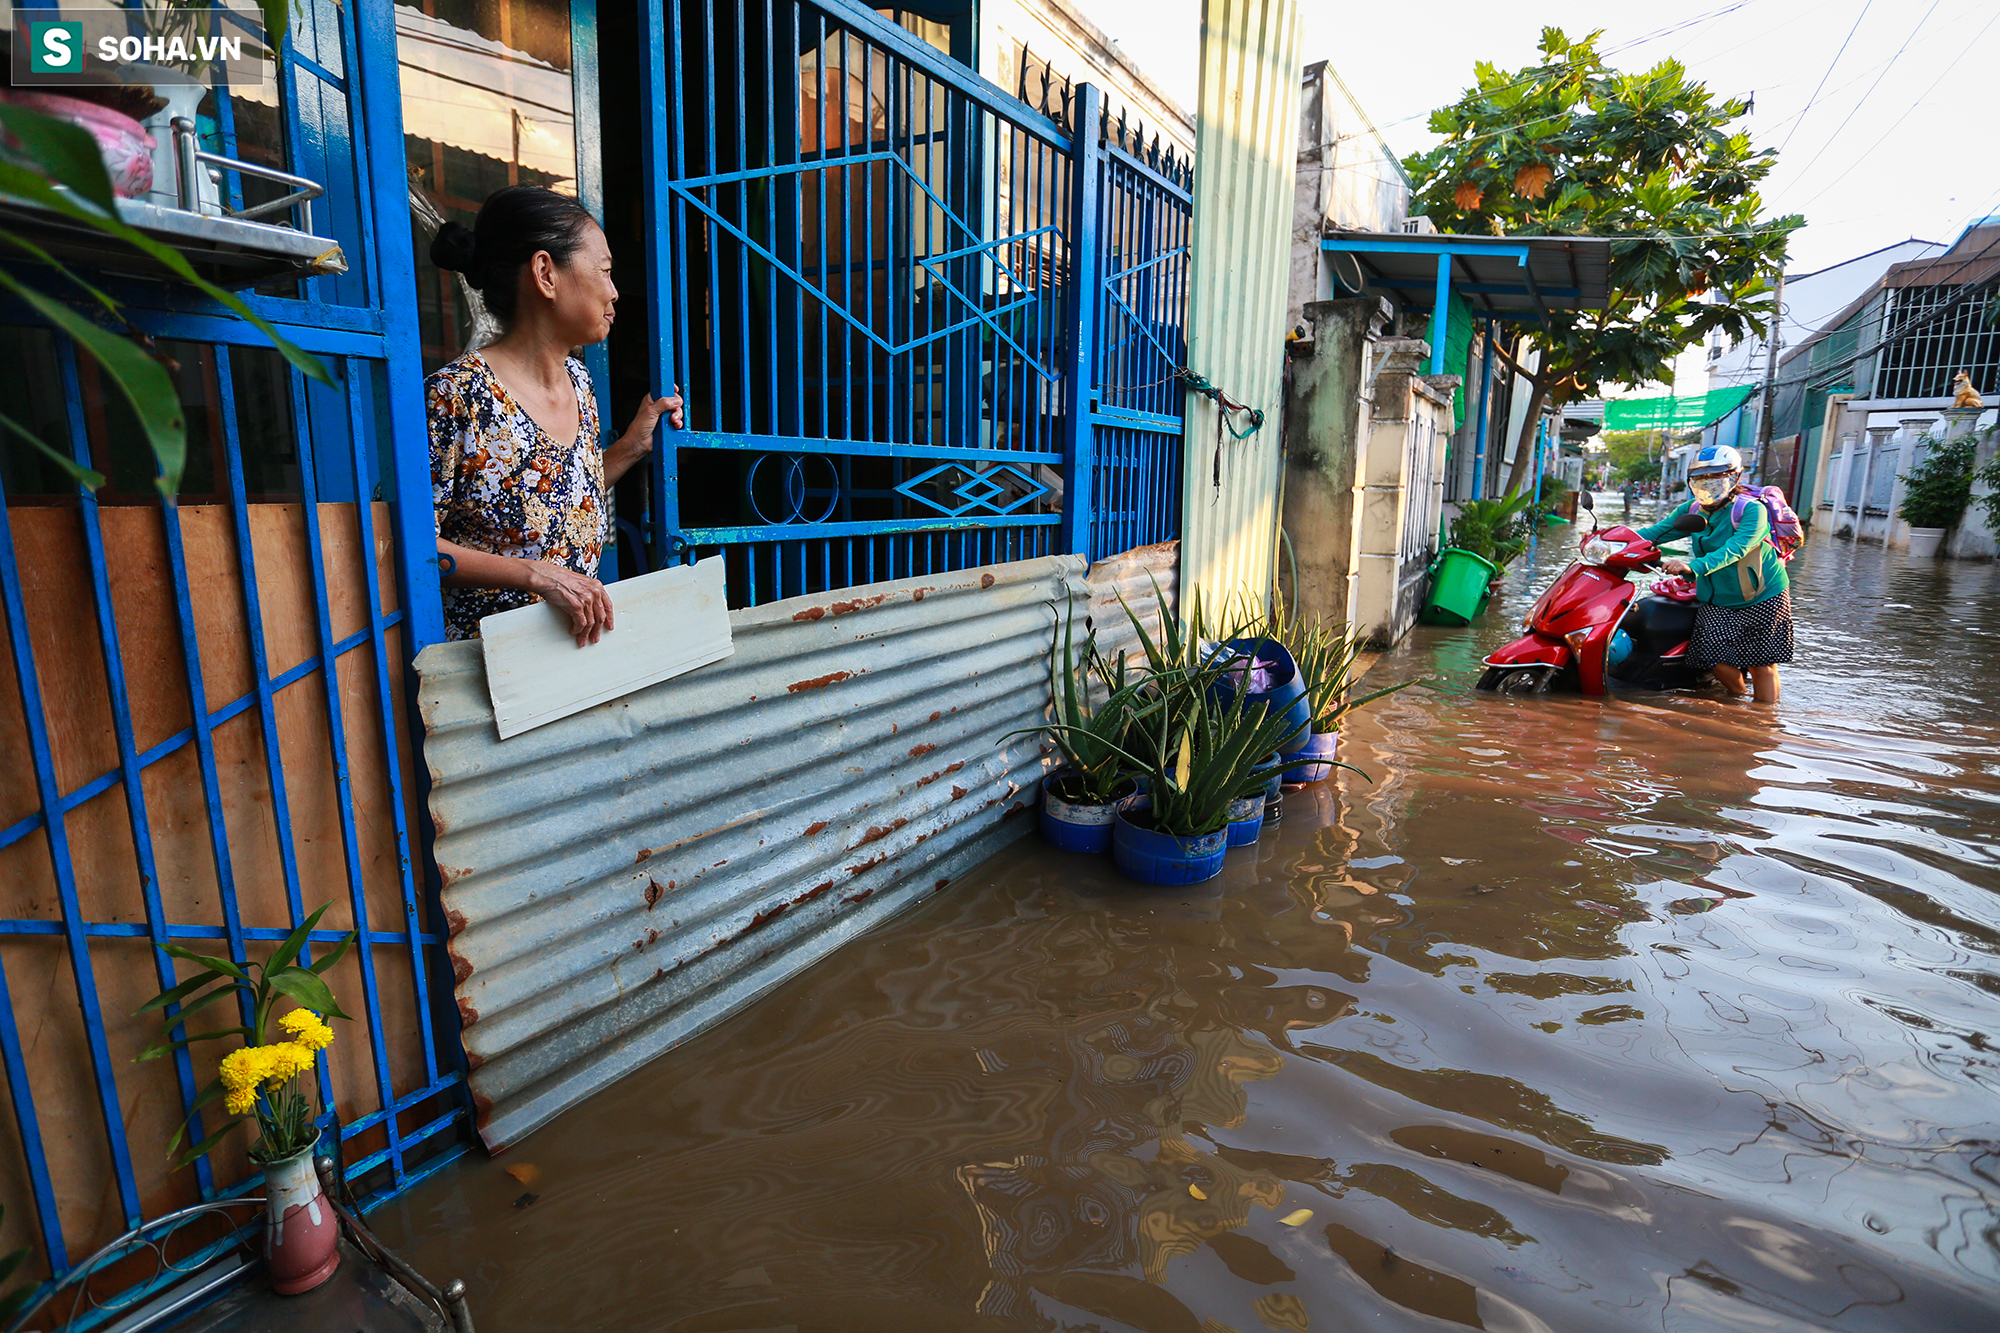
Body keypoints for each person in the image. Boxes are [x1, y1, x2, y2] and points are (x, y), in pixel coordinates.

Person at [426, 185, 683, 646]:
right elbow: (412, 547)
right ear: (545, 273)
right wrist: (536, 575)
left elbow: (553, 499)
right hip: (484, 673)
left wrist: (631, 446)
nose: (614, 292)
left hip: (572, 659)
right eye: (604, 271)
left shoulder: (580, 383)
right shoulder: (455, 395)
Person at [1638, 444, 1791, 703]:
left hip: (1763, 594)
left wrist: (1692, 567)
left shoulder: (1752, 510)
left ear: (1735, 478)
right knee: (1709, 658)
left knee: (1762, 665)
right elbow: (1654, 533)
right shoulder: (1691, 510)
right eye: (1700, 479)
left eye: (1716, 478)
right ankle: (1738, 698)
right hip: (1718, 597)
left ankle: (1764, 722)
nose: (1707, 485)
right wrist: (1608, 540)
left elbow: (1736, 549)